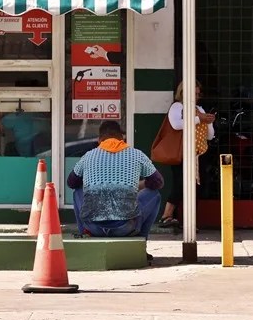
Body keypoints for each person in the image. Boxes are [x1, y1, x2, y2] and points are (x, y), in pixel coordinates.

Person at [67, 121, 164, 252]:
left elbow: (71, 182)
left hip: (93, 226)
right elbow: (158, 183)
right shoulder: (137, 154)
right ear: (122, 138)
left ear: (99, 140)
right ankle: (141, 244)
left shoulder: (88, 156)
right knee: (154, 194)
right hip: (125, 227)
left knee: (77, 191)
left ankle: (84, 234)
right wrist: (140, 185)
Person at [158, 80, 215, 228]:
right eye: (193, 94)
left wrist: (207, 122)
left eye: (197, 94)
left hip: (198, 153)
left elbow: (209, 135)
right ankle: (167, 215)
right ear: (183, 93)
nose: (196, 97)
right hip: (181, 153)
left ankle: (190, 221)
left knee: (196, 187)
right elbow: (176, 124)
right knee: (180, 184)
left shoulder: (200, 109)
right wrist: (198, 119)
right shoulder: (177, 107)